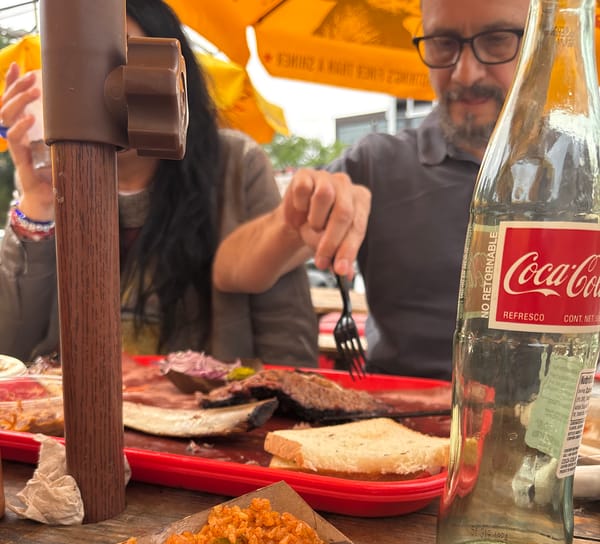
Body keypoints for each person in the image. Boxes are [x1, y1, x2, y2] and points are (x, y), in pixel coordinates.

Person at [0, 0, 370, 367]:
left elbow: (283, 325)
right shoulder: (58, 178)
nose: (99, 83)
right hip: (67, 419)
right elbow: (13, 346)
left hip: (207, 415)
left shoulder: (234, 164)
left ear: (170, 71)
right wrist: (39, 202)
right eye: (79, 65)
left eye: (122, 60)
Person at [214, 0, 530, 380]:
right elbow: (229, 271)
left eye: (497, 40)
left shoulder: (580, 172)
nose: (465, 72)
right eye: (443, 43)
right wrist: (291, 221)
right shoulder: (378, 164)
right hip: (398, 417)